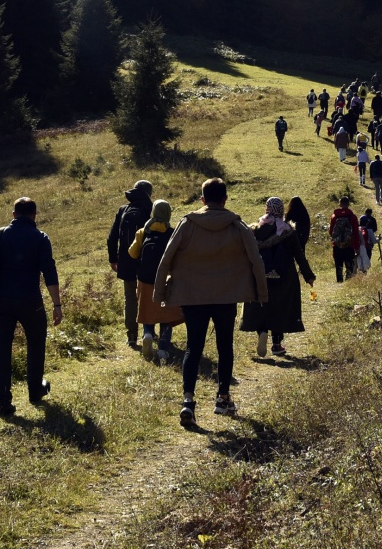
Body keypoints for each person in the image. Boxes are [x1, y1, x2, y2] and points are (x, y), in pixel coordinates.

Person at [153, 178, 268, 425]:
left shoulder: (187, 223)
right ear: (225, 199)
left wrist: (160, 294)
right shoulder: (237, 225)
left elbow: (165, 259)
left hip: (192, 297)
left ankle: (188, 402)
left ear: (202, 199)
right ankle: (223, 398)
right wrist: (261, 293)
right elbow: (256, 261)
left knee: (193, 347)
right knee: (225, 346)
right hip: (226, 296)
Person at [0, 197, 63, 417]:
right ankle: (35, 391)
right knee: (36, 342)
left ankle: (3, 402)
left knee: (1, 349)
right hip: (30, 300)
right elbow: (49, 272)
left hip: (0, 301)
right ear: (34, 215)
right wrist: (57, 304)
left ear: (13, 215)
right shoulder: (40, 238)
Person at [241, 197, 316, 357]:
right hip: (284, 277)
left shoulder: (255, 230)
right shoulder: (288, 231)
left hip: (260, 275)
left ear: (267, 209)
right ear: (281, 210)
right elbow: (299, 255)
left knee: (261, 306)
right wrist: (308, 276)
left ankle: (262, 332)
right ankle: (276, 344)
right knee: (280, 308)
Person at [129, 199, 183, 363]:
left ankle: (147, 334)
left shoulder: (143, 232)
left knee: (147, 311)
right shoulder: (173, 232)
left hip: (145, 279)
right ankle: (163, 350)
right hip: (165, 279)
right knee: (166, 316)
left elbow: (132, 253)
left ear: (153, 212)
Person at [107, 180, 155, 351]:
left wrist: (113, 259)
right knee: (149, 296)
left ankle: (132, 336)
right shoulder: (151, 209)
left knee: (130, 298)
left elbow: (112, 237)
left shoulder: (123, 210)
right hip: (147, 261)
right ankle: (149, 332)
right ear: (149, 193)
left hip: (126, 261)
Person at [328, 197, 362, 282]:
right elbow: (355, 233)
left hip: (337, 245)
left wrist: (337, 239)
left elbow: (331, 231)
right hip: (349, 245)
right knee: (349, 265)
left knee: (338, 265)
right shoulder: (353, 217)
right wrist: (357, 247)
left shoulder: (334, 216)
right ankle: (348, 281)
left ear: (340, 204)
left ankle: (339, 281)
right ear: (348, 204)